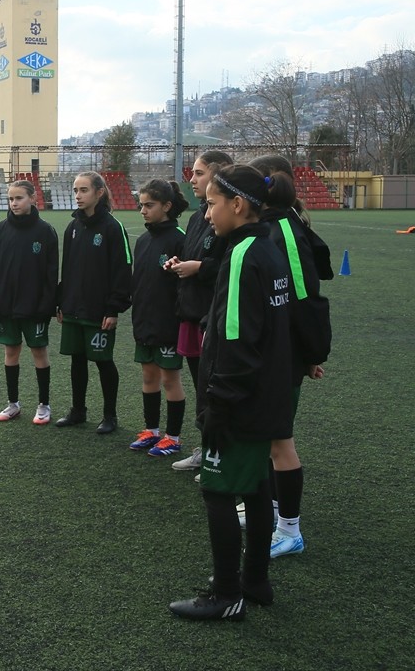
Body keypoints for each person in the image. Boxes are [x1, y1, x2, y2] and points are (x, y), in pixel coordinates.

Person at [168, 164, 293, 621]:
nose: (208, 211)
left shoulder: (242, 255)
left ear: (237, 205)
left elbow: (237, 340)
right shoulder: (269, 245)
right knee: (257, 486)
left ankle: (226, 595)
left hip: (240, 401)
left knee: (220, 492)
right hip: (266, 397)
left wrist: (217, 405)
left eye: (213, 202)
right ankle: (256, 582)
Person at [249, 155, 333, 560]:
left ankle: (290, 529)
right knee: (266, 438)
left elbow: (304, 300)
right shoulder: (266, 228)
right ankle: (273, 512)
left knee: (279, 439)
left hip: (284, 356)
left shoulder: (284, 229)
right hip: (270, 353)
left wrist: (309, 353)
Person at [164, 150, 233, 476]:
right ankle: (207, 449)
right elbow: (192, 256)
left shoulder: (227, 219)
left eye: (200, 173)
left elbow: (228, 266)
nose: (192, 179)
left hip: (212, 317)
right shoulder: (197, 216)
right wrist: (179, 264)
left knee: (214, 391)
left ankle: (217, 456)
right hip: (190, 313)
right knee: (200, 387)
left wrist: (200, 267)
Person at [55, 171, 132, 433]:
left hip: (99, 311)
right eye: (75, 190)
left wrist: (114, 309)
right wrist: (61, 302)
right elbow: (68, 268)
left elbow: (122, 271)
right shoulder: (72, 227)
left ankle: (110, 416)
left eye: (84, 190)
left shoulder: (113, 228)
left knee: (102, 360)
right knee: (77, 359)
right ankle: (78, 411)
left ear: (99, 193)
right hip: (74, 306)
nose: (78, 195)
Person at [0, 179, 59, 425]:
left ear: (33, 199)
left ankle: (44, 405)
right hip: (6, 305)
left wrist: (48, 304)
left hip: (35, 306)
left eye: (19, 198)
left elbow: (51, 273)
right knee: (11, 351)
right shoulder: (0, 230)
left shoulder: (45, 231)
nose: (14, 203)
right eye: (10, 199)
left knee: (39, 352)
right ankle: (13, 404)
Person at [127, 179, 191, 457]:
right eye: (141, 205)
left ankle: (173, 437)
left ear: (167, 206)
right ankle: (151, 431)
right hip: (144, 320)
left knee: (169, 379)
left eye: (149, 205)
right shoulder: (142, 240)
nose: (143, 210)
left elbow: (184, 286)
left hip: (168, 322)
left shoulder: (179, 238)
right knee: (148, 375)